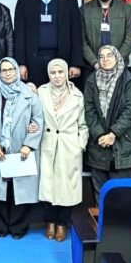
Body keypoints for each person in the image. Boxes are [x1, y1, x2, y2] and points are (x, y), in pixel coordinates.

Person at [0, 58, 44, 239]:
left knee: (20, 192)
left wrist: (28, 145)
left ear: (17, 71)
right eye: (4, 70)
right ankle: (0, 227)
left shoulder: (29, 94)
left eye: (11, 69)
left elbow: (38, 120)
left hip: (21, 151)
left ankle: (18, 228)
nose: (8, 73)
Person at [84, 45, 131, 200]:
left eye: (109, 55)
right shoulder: (91, 80)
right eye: (101, 56)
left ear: (117, 57)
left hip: (124, 145)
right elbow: (89, 111)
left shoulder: (129, 80)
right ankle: (101, 224)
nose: (105, 59)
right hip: (99, 145)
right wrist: (100, 135)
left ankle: (120, 225)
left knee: (121, 196)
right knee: (101, 195)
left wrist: (113, 134)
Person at [37, 59, 88, 242]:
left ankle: (62, 224)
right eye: (53, 72)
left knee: (66, 188)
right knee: (48, 186)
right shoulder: (40, 92)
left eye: (61, 72)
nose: (57, 76)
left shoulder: (77, 95)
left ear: (67, 73)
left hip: (69, 145)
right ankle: (49, 222)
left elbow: (83, 124)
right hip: (48, 143)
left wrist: (79, 145)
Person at [14, 0, 83, 86]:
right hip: (33, 60)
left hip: (61, 59)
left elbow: (76, 32)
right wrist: (20, 63)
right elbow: (19, 33)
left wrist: (75, 63)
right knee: (35, 98)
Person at [81, 0, 131, 68]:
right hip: (92, 67)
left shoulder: (126, 9)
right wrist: (94, 62)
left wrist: (116, 60)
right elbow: (81, 40)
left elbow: (130, 38)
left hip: (119, 66)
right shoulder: (84, 10)